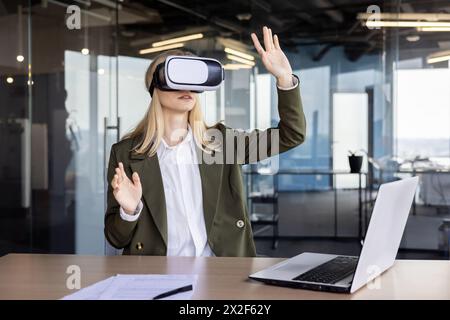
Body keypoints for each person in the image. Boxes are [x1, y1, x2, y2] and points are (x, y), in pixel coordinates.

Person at [104, 26, 306, 256]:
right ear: (156, 84)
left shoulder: (223, 144)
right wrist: (129, 211)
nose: (188, 88)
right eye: (178, 77)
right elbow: (115, 239)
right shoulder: (126, 154)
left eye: (193, 80)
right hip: (158, 278)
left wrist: (284, 78)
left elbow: (292, 134)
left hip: (220, 275)